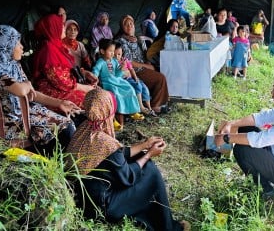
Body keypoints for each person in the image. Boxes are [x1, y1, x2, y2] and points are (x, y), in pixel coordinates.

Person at [65, 88, 190, 230]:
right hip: (104, 209)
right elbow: (128, 176)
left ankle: (152, 215)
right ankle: (169, 228)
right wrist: (149, 154)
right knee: (151, 171)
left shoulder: (84, 129)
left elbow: (117, 155)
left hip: (85, 201)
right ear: (108, 110)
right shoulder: (105, 143)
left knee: (140, 159)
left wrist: (145, 145)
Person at [0, 25, 79, 154]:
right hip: (5, 123)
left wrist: (59, 103)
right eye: (17, 43)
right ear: (6, 45)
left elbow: (31, 93)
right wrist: (27, 83)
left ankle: (58, 164)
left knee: (66, 125)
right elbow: (20, 90)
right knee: (63, 130)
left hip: (22, 114)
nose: (21, 47)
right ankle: (57, 165)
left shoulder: (12, 65)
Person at [32, 14, 101, 109]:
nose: (64, 28)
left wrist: (84, 73)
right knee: (94, 99)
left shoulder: (56, 46)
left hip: (68, 86)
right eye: (62, 26)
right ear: (54, 28)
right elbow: (61, 81)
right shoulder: (48, 50)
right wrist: (84, 88)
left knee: (99, 94)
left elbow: (67, 69)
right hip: (51, 90)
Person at [115, 15, 170, 114]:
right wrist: (147, 66)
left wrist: (148, 63)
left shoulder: (138, 39)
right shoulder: (121, 41)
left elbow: (146, 54)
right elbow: (128, 61)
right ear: (122, 27)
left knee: (163, 71)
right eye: (126, 25)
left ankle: (158, 102)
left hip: (142, 67)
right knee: (160, 78)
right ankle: (155, 106)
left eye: (131, 24)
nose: (130, 26)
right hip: (134, 71)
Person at [92, 39, 144, 129]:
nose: (113, 53)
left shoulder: (114, 61)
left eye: (113, 51)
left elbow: (117, 75)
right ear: (102, 51)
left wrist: (121, 69)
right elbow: (95, 72)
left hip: (117, 80)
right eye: (110, 51)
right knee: (115, 93)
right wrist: (94, 80)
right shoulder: (100, 62)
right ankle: (113, 120)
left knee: (129, 88)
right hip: (107, 82)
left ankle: (133, 111)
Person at [114, 42, 156, 116]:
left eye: (119, 54)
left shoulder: (125, 60)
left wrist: (135, 77)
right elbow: (117, 73)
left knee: (144, 87)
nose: (117, 56)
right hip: (125, 80)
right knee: (138, 86)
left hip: (131, 78)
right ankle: (141, 107)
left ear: (122, 53)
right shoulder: (114, 63)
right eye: (115, 55)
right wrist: (123, 70)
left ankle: (149, 108)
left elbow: (131, 69)